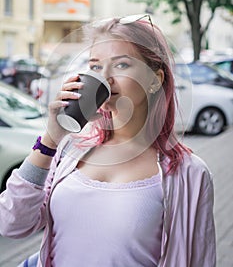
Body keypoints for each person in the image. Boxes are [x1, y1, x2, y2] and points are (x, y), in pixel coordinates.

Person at [0, 14, 216, 267]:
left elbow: (199, 259)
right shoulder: (70, 151)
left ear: (155, 80)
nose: (104, 77)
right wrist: (51, 139)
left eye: (121, 65)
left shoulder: (189, 174)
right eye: (95, 66)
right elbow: (12, 222)